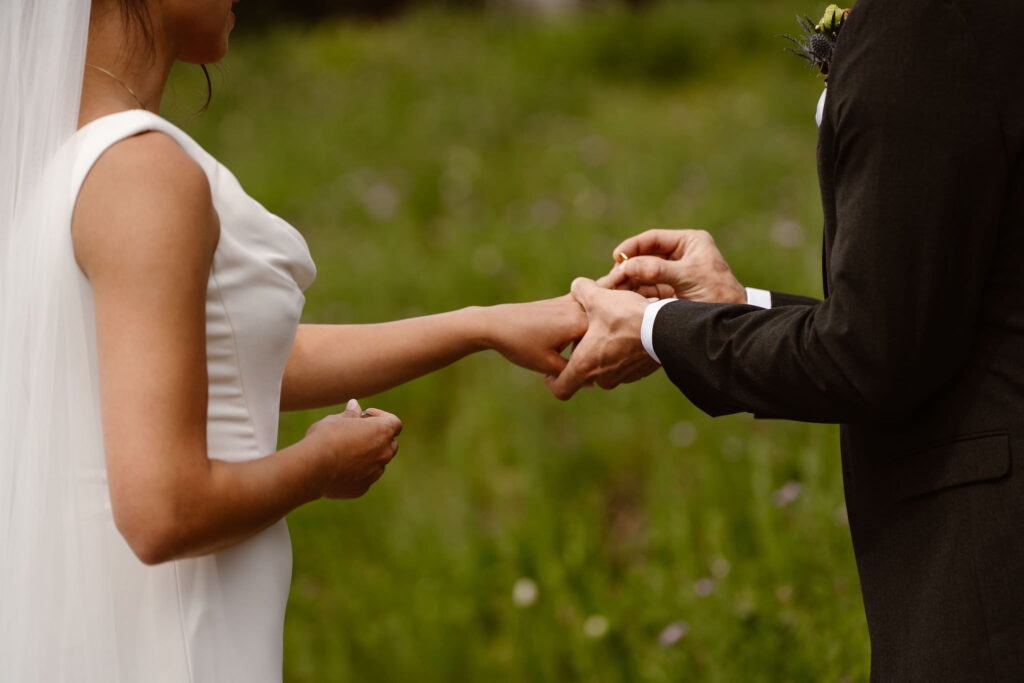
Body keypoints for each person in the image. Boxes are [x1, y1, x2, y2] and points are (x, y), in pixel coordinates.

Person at [0, 0, 586, 679]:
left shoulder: (51, 169)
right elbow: (163, 511)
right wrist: (320, 465)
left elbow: (228, 364)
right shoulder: (141, 174)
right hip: (176, 642)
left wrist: (480, 325)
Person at [549, 0, 1024, 679]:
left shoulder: (925, 23)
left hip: (989, 577)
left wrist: (658, 330)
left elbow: (872, 358)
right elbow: (917, 320)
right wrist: (737, 308)